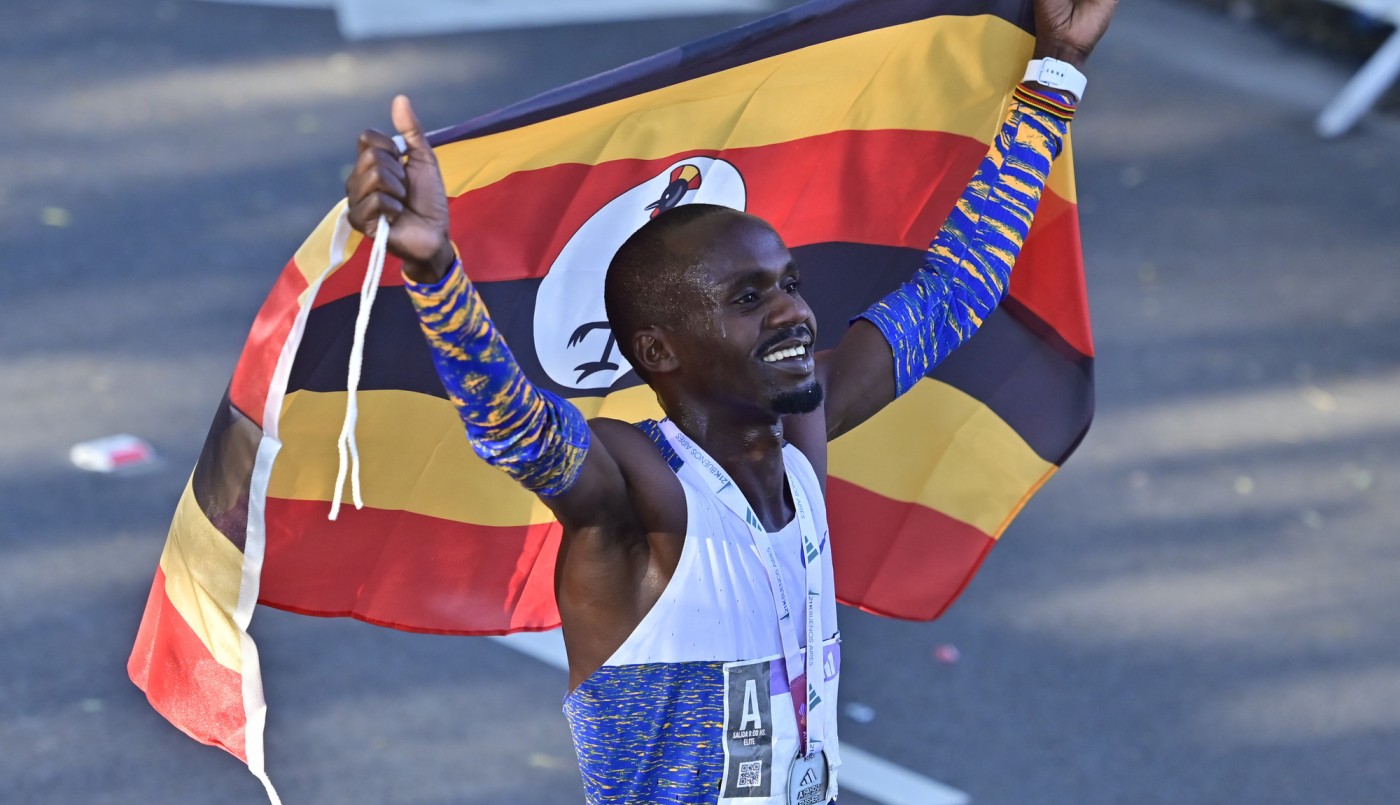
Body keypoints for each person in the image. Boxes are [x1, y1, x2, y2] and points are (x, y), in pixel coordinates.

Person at [343, 0, 1116, 801]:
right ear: (658, 351)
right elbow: (519, 431)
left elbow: (957, 287)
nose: (794, 312)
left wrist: (1058, 70)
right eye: (749, 298)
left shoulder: (801, 431)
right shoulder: (640, 498)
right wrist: (432, 271)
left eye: (789, 283)